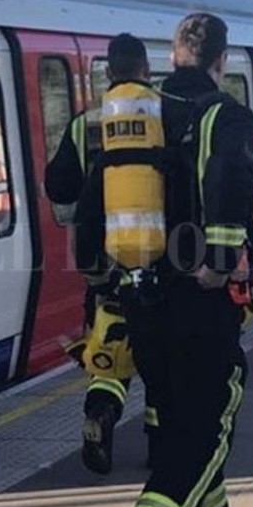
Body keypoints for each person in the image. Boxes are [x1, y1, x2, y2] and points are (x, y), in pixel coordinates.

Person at [74, 13, 253, 507]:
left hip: (140, 294)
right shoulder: (222, 114)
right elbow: (231, 181)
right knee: (212, 414)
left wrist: (100, 275)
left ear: (172, 56)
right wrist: (222, 263)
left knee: (179, 415)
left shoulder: (128, 116)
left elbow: (88, 199)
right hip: (198, 294)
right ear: (220, 61)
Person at [44, 33, 159, 476]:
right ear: (147, 71)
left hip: (104, 266)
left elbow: (59, 187)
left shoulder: (85, 123)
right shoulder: (163, 114)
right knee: (159, 362)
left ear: (107, 74)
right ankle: (158, 444)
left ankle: (101, 414)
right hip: (158, 258)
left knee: (109, 352)